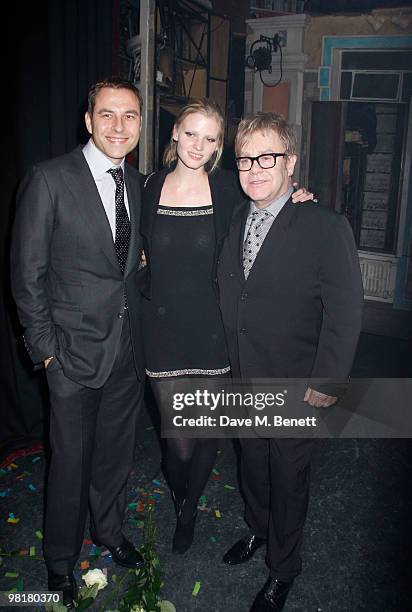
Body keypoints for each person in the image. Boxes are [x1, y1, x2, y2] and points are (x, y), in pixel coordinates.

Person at [141, 99, 313, 556]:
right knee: (177, 445)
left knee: (207, 438)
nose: (199, 145)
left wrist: (300, 194)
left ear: (219, 147)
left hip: (215, 332)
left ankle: (189, 509)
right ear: (175, 133)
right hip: (162, 334)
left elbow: (271, 201)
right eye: (191, 133)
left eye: (211, 138)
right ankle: (183, 495)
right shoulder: (147, 187)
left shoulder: (229, 191)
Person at [218, 112, 364, 612]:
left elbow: (345, 313)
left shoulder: (325, 225)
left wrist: (328, 380)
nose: (255, 168)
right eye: (245, 158)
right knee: (253, 468)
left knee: (288, 476)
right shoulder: (239, 216)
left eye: (267, 157)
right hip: (243, 377)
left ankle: (284, 569)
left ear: (291, 162)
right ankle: (258, 530)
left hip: (296, 386)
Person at [11, 77, 146, 608]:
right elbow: (27, 275)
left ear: (139, 123)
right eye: (108, 114)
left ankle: (109, 533)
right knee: (69, 463)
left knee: (114, 457)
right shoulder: (48, 179)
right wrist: (46, 352)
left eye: (130, 115)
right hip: (68, 354)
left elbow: (125, 269)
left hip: (126, 351)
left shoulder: (135, 184)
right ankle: (61, 561)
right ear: (88, 120)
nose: (119, 125)